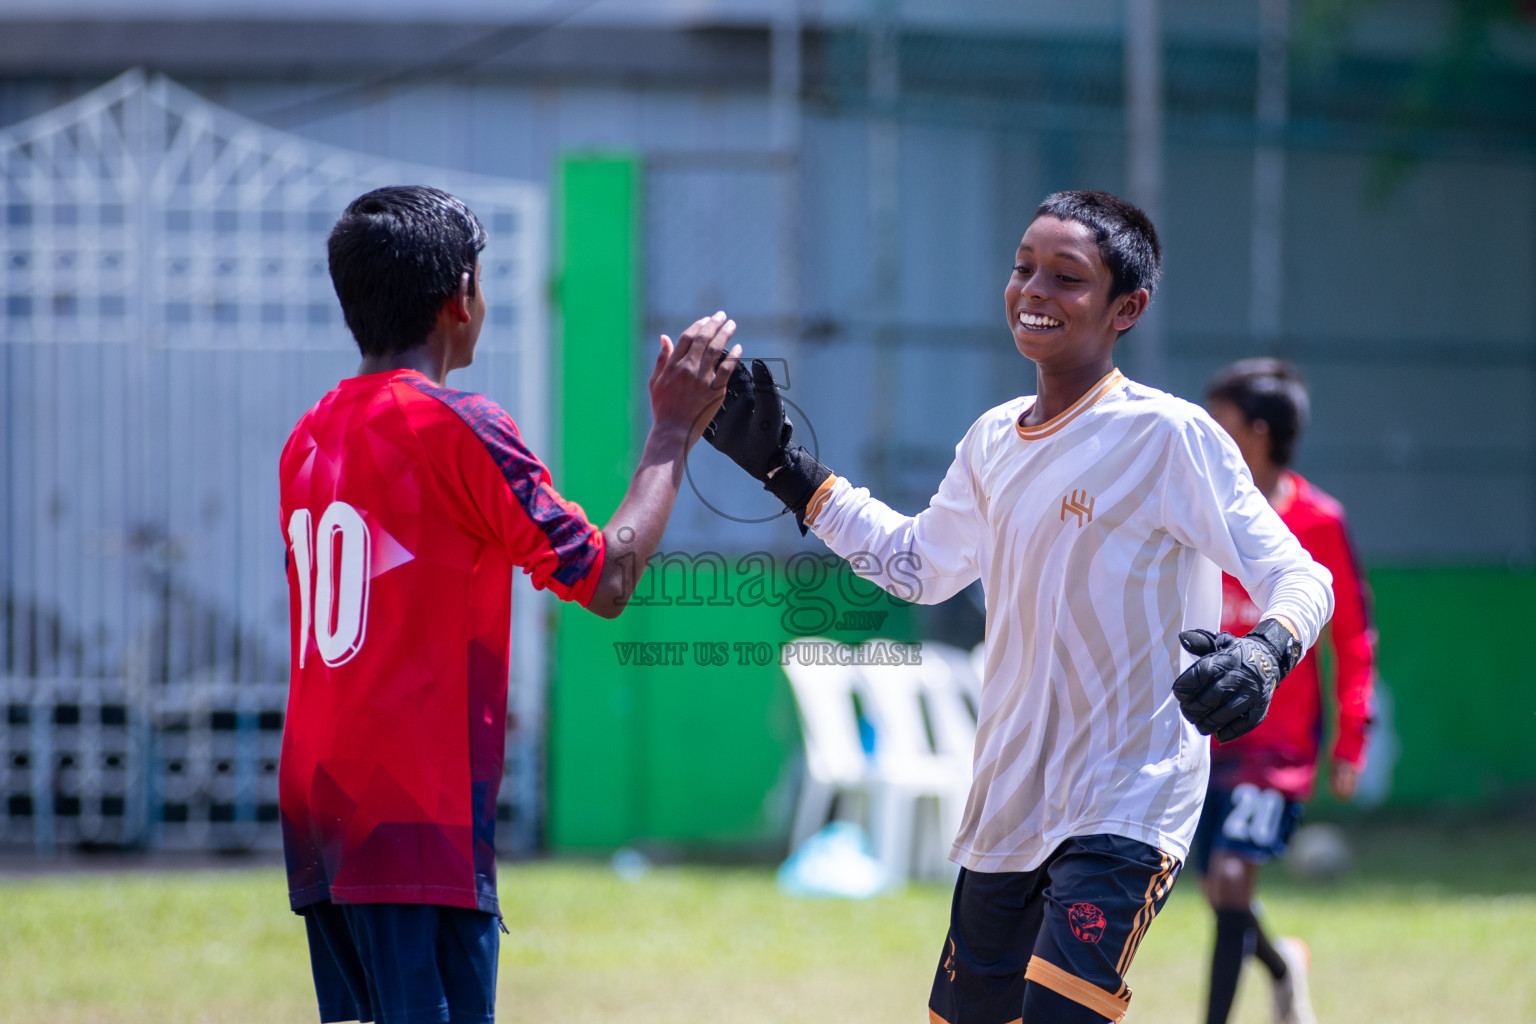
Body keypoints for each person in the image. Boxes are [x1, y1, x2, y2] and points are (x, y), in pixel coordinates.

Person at [704, 190, 1335, 1024]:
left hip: (1127, 801)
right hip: (1007, 807)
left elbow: (1302, 575)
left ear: (1127, 309)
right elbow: (917, 565)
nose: (1034, 291)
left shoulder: (1168, 437)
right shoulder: (994, 439)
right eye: (1022, 267)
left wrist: (1265, 652)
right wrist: (787, 472)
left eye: (1067, 277)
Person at [278, 185, 739, 1024]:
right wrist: (672, 431)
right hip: (413, 814)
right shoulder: (460, 425)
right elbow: (604, 577)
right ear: (461, 296)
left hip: (319, 810)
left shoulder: (309, 433)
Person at [1193, 358, 1376, 1024]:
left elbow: (1354, 638)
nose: (1207, 434)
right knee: (1218, 891)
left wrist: (1351, 738)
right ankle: (1280, 964)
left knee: (1233, 880)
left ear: (1260, 434)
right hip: (1204, 733)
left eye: (1222, 422)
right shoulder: (1201, 513)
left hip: (1277, 750)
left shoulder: (1321, 521)